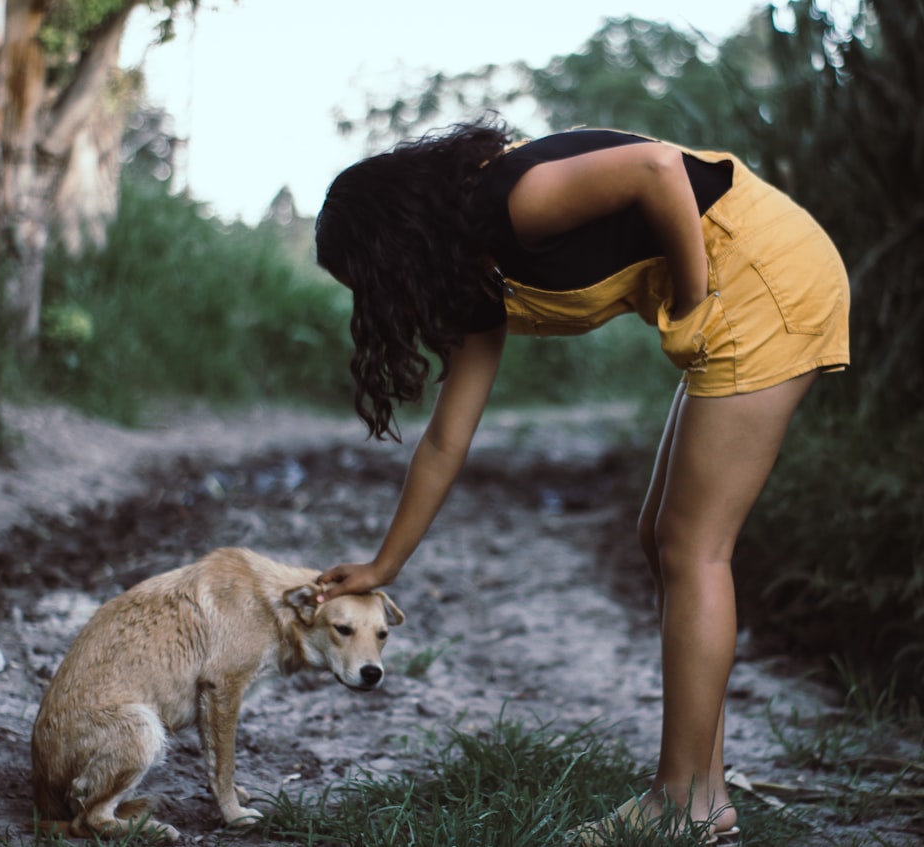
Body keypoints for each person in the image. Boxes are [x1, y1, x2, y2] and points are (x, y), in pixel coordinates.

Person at [313, 116, 849, 845]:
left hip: (767, 280)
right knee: (662, 538)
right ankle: (706, 789)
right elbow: (444, 441)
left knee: (695, 547)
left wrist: (692, 296)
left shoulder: (514, 199)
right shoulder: (475, 279)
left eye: (373, 282)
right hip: (739, 289)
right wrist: (385, 563)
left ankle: (682, 800)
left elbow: (658, 169)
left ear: (397, 248)